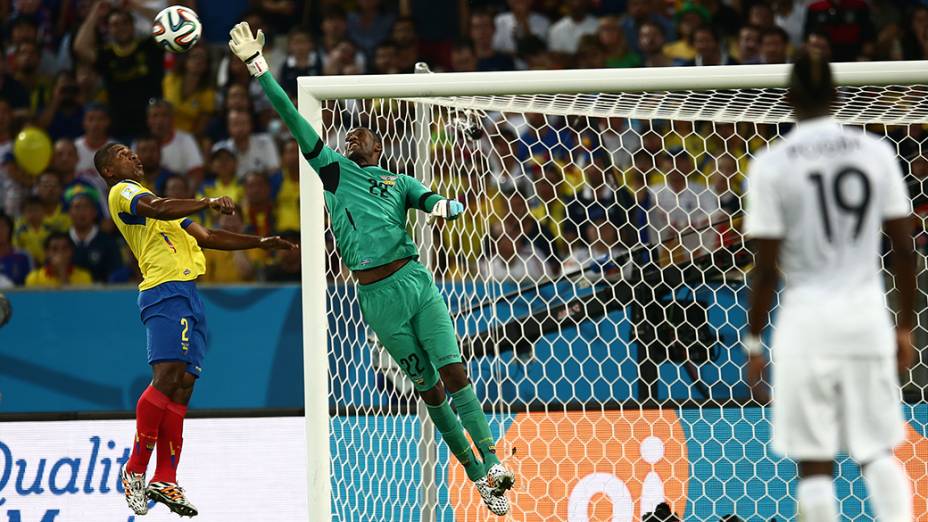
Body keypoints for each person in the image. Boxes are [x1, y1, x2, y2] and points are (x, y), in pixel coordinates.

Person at [230, 21, 516, 515]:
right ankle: (477, 478)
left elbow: (435, 200)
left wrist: (449, 206)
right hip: (376, 298)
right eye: (349, 131)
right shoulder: (336, 173)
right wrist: (259, 67)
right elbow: (296, 122)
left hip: (415, 282)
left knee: (453, 372)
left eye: (365, 132)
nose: (355, 134)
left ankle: (490, 463)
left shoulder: (399, 180)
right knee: (428, 392)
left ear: (380, 148)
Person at [744, 51, 914, 522]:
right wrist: (905, 327)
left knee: (815, 465)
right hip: (865, 317)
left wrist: (755, 339)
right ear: (838, 95)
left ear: (789, 99)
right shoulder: (874, 152)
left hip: (806, 324)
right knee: (876, 450)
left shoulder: (771, 165)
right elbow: (903, 248)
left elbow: (765, 268)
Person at [93, 142, 296, 517]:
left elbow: (208, 237)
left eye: (133, 151)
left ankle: (165, 478)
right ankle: (135, 469)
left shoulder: (160, 204)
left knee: (184, 385)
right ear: (108, 171)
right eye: (123, 154)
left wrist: (261, 243)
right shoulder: (124, 193)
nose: (134, 155)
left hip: (188, 294)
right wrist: (206, 200)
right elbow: (157, 207)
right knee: (167, 376)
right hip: (163, 290)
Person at [24, 232, 93, 287]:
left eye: (65, 248)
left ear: (71, 252)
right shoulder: (34, 278)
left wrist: (62, 272)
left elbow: (72, 302)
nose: (60, 253)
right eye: (54, 249)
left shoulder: (84, 277)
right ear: (47, 253)